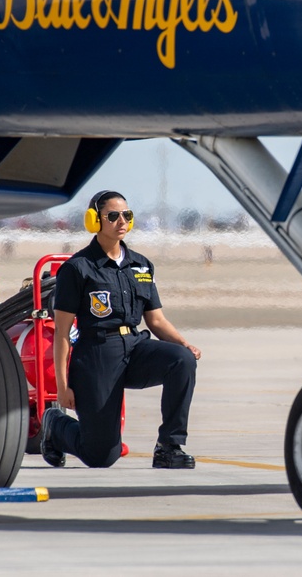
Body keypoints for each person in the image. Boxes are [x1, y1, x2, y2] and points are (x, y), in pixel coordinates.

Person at [41, 190, 201, 469]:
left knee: (181, 360)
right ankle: (55, 425)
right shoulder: (77, 269)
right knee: (101, 456)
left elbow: (156, 321)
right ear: (94, 220)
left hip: (135, 347)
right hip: (97, 354)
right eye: (112, 216)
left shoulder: (141, 265)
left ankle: (168, 446)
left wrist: (184, 344)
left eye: (126, 215)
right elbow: (63, 333)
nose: (121, 221)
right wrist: (62, 385)